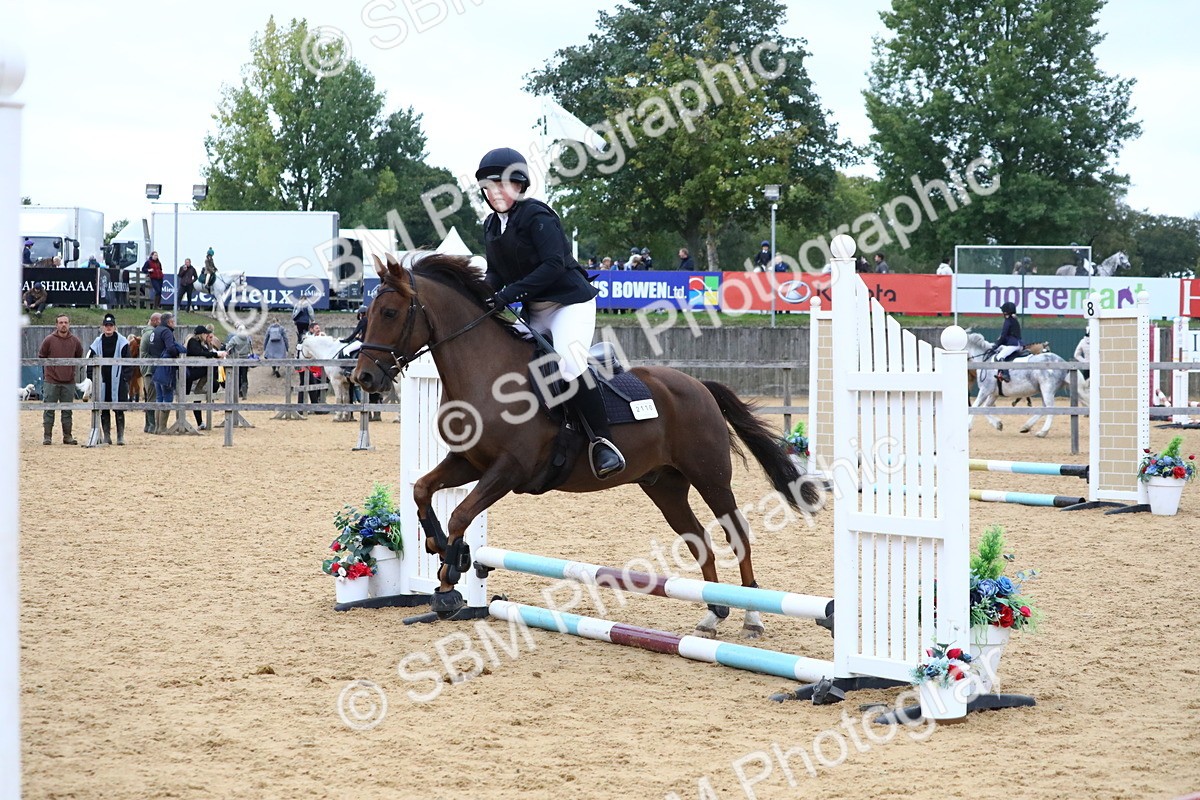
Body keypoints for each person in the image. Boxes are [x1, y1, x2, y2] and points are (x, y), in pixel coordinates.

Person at [474, 146, 624, 478]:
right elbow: (497, 272)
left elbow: (554, 265)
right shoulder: (491, 226)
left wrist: (509, 294)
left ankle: (603, 443)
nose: (493, 193)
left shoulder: (537, 216)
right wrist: (481, 294)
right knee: (517, 359)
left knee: (569, 364)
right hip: (535, 309)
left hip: (570, 303)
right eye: (488, 187)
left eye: (500, 185)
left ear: (518, 185)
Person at [38, 313, 84, 445]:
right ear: (56, 324)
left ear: (69, 324)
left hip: (68, 381)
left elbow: (79, 356)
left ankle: (67, 436)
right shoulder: (49, 340)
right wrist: (48, 372)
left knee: (67, 411)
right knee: (49, 409)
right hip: (51, 380)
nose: (63, 325)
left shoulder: (75, 341)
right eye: (61, 322)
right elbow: (41, 356)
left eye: (66, 322)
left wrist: (70, 371)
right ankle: (47, 436)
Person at [88, 313, 132, 445]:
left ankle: (120, 436)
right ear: (102, 327)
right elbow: (90, 361)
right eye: (106, 325)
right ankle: (107, 436)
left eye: (110, 325)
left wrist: (125, 378)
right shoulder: (96, 343)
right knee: (104, 408)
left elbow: (128, 362)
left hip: (118, 381)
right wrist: (92, 378)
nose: (108, 328)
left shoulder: (123, 342)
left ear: (114, 327)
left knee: (119, 409)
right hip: (102, 380)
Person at [150, 312, 183, 432]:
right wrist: (176, 354)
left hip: (155, 367)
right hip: (165, 368)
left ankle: (157, 427)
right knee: (167, 397)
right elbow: (170, 347)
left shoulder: (155, 331)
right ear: (169, 322)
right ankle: (162, 427)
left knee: (159, 398)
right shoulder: (167, 332)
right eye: (173, 321)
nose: (174, 324)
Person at [185, 324, 223, 429]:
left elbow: (206, 352)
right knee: (193, 396)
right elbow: (200, 353)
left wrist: (214, 352)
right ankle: (199, 421)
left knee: (200, 395)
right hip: (193, 372)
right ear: (202, 334)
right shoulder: (193, 342)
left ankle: (200, 422)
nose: (208, 336)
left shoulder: (202, 343)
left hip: (199, 373)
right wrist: (216, 354)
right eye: (206, 334)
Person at [139, 312, 161, 432]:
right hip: (150, 369)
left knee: (149, 396)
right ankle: (152, 425)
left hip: (145, 368)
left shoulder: (146, 333)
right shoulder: (151, 334)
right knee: (152, 397)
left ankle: (148, 425)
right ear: (155, 321)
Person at [994, 301, 1024, 383]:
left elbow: (1003, 335)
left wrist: (996, 345)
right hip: (1019, 344)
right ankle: (1000, 372)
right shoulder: (1015, 320)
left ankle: (1006, 374)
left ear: (1005, 312)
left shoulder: (1008, 321)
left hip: (1013, 345)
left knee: (1000, 356)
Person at [224, 323, 255, 399]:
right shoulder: (248, 338)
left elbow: (228, 347)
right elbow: (250, 347)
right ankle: (244, 393)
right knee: (244, 376)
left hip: (236, 360)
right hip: (245, 360)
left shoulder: (235, 338)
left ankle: (237, 393)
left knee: (237, 376)